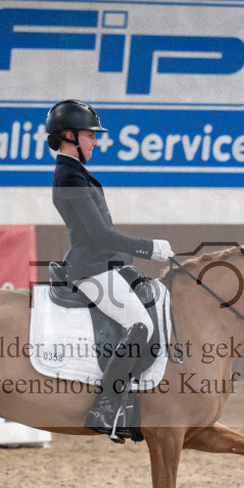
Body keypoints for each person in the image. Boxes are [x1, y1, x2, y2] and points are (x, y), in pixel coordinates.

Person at [45, 99, 174, 442]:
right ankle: (106, 405)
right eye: (90, 135)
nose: (96, 142)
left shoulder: (77, 174)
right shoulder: (69, 178)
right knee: (140, 325)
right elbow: (99, 235)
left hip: (105, 264)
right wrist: (148, 247)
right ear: (69, 136)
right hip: (90, 270)